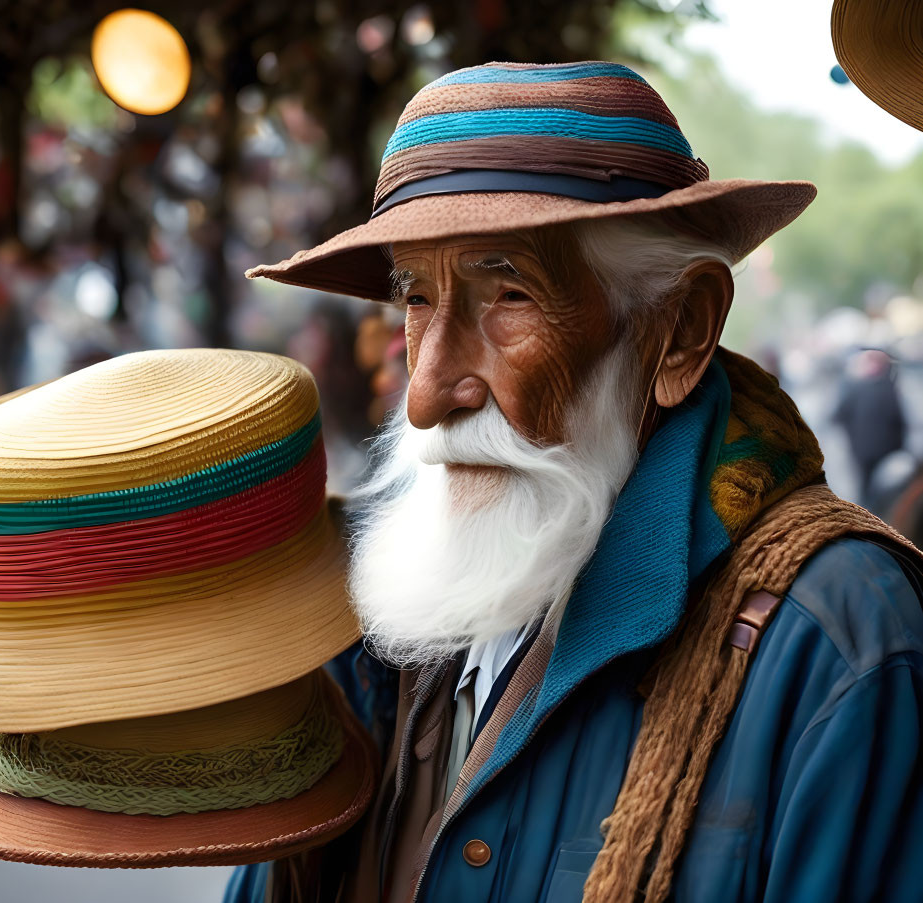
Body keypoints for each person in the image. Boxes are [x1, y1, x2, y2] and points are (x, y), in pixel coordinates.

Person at [226, 61, 923, 903]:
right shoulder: (372, 604)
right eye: (415, 298)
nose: (427, 393)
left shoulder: (834, 638)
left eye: (508, 294)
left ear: (679, 332)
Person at [832, 348, 906, 506]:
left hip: (873, 452)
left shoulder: (863, 388)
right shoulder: (885, 388)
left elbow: (838, 416)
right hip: (873, 452)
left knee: (874, 491)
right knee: (875, 491)